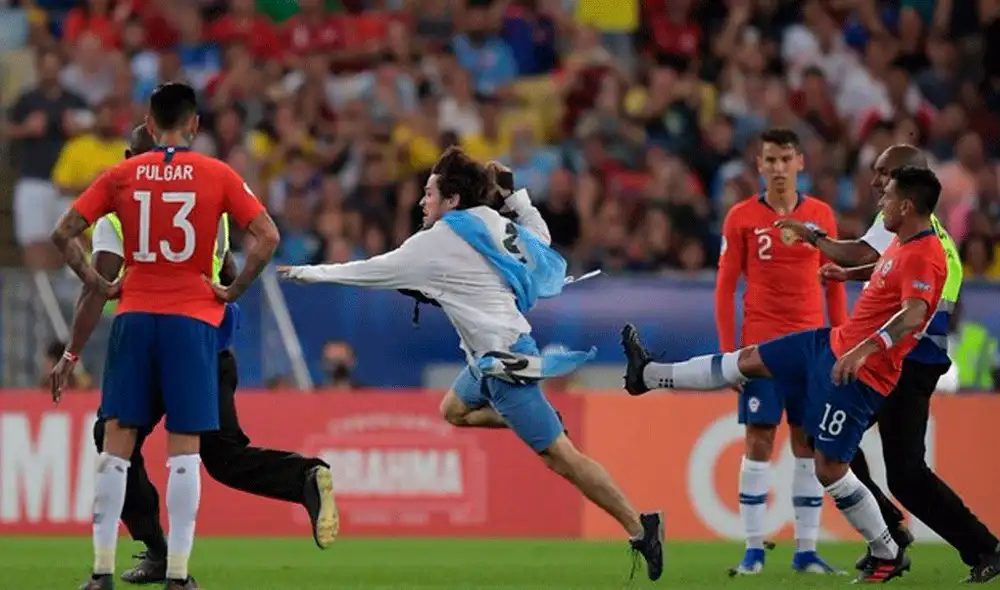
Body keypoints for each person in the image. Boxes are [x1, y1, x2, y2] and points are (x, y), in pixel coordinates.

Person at [277, 148, 665, 581]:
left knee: (562, 459)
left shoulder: (442, 238)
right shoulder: (492, 223)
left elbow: (374, 270)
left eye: (429, 193)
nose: (422, 202)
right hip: (489, 357)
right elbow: (541, 242)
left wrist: (309, 273)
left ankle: (639, 527)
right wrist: (515, 197)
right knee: (452, 411)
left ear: (452, 200)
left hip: (504, 362)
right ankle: (534, 421)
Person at [621, 165, 948, 583]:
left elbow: (914, 313)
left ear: (906, 204)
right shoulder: (904, 245)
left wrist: (867, 349)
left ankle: (887, 551)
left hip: (858, 375)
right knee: (749, 359)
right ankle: (647, 374)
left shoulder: (926, 254)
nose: (880, 204)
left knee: (829, 467)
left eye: (887, 198)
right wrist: (842, 272)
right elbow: (881, 270)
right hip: (827, 345)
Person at [49, 124, 338, 587]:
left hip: (151, 338)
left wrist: (71, 353)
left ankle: (156, 553)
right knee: (221, 455)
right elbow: (224, 269)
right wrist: (226, 296)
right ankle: (303, 477)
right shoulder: (207, 200)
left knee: (115, 438)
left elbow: (95, 286)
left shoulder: (121, 198)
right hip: (205, 342)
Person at [775, 144, 1000, 583]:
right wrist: (850, 278)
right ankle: (908, 534)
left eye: (884, 173)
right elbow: (884, 267)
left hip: (906, 359)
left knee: (867, 457)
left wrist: (813, 237)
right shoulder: (919, 227)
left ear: (907, 184)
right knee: (856, 449)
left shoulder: (903, 217)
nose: (877, 182)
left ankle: (920, 538)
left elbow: (862, 254)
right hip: (911, 355)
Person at [709, 128, 846, 575]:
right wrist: (730, 355)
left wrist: (841, 342)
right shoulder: (742, 218)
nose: (779, 168)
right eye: (771, 160)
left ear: (801, 163)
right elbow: (725, 287)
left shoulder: (821, 216)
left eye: (786, 159)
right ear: (760, 165)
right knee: (760, 440)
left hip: (810, 349)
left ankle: (805, 551)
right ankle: (753, 549)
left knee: (809, 443)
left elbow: (834, 283)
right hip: (762, 349)